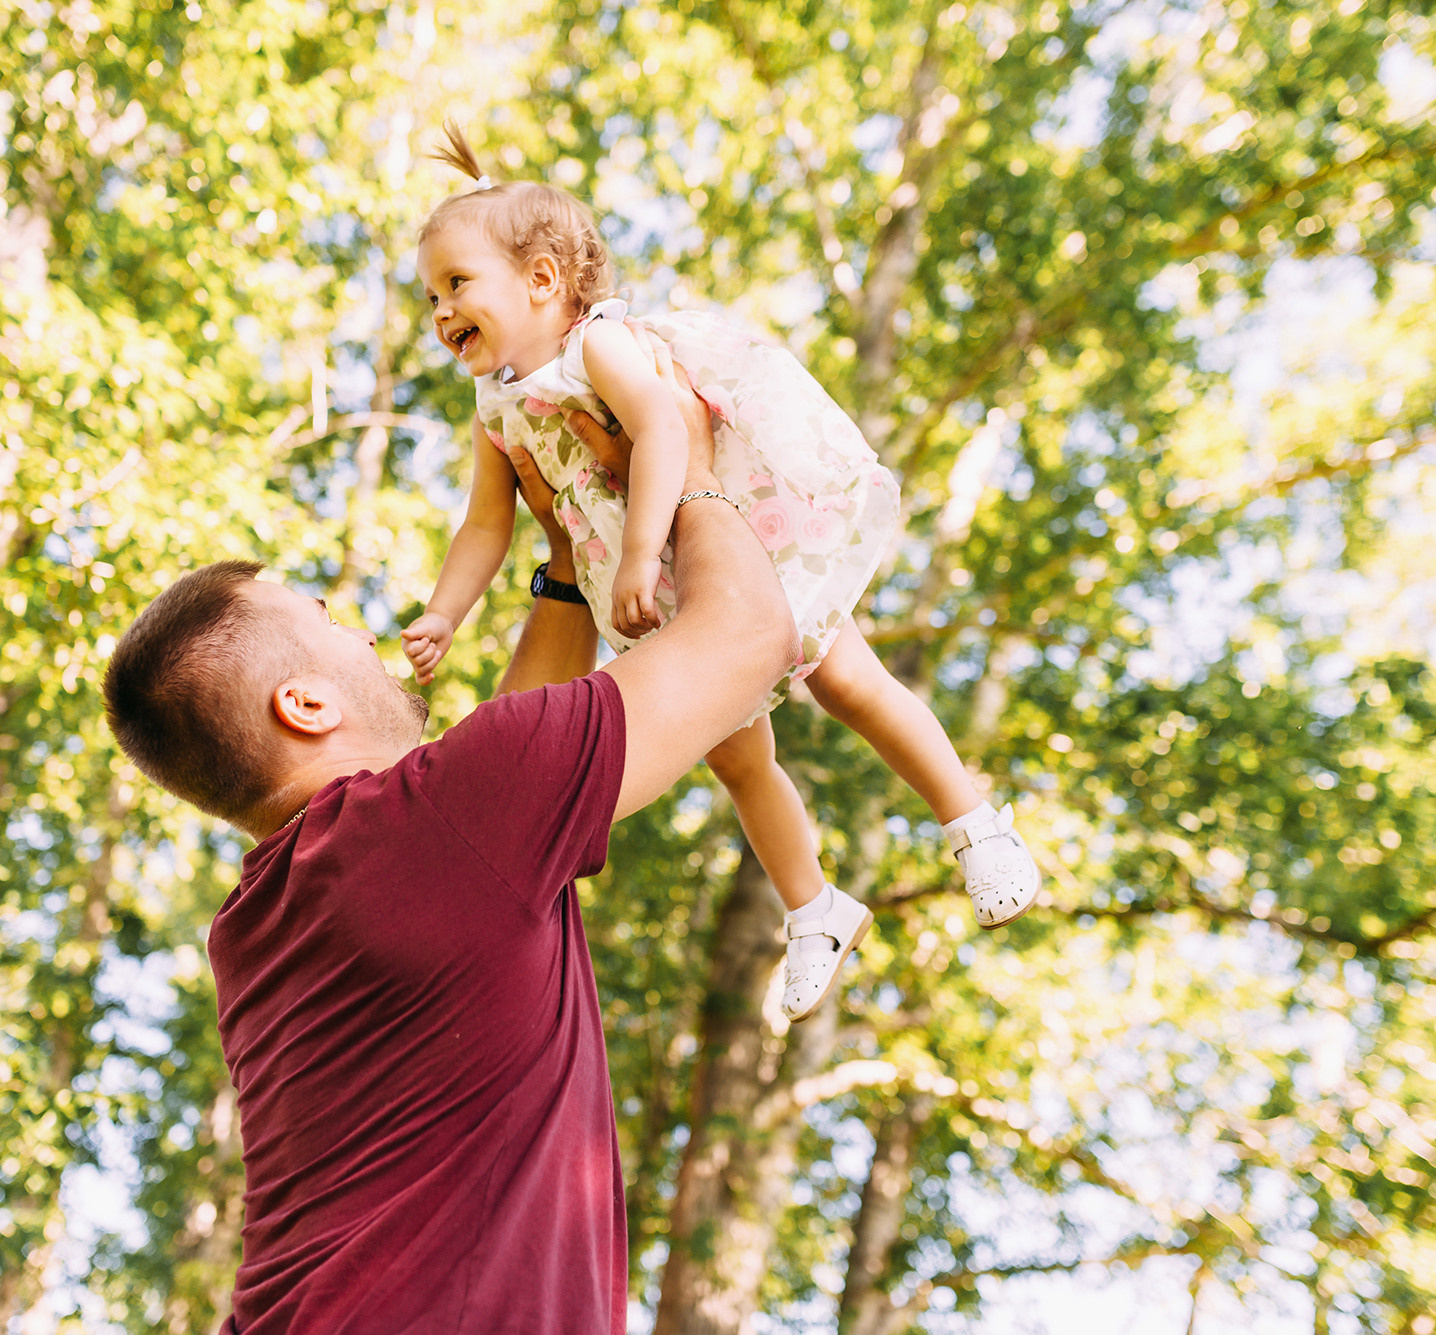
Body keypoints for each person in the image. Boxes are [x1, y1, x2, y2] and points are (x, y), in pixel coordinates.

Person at [102, 342, 796, 1334]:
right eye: (327, 619)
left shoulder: (265, 920)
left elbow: (499, 793)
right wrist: (678, 454)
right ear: (302, 704)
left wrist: (563, 563)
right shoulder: (440, 823)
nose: (362, 632)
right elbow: (746, 633)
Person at [400, 123, 1042, 1023]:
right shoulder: (494, 405)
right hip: (657, 601)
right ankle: (814, 907)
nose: (439, 313)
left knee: (851, 681)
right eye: (430, 296)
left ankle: (974, 819)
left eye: (456, 285)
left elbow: (664, 429)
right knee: (737, 757)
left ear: (542, 280)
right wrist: (444, 614)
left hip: (734, 546)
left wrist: (634, 548)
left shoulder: (599, 349)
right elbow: (487, 522)